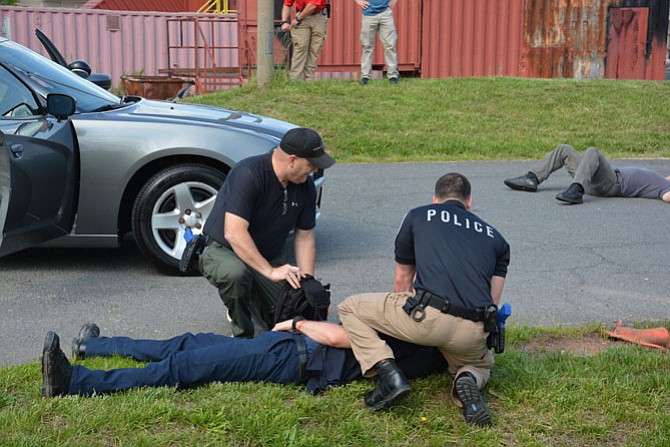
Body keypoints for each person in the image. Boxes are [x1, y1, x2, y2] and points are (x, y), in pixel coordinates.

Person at [338, 173, 510, 426]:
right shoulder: (497, 239)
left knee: (349, 307)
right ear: (469, 202)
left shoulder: (419, 216)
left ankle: (387, 373)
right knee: (481, 366)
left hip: (426, 318)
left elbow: (402, 279)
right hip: (473, 330)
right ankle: (467, 380)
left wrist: (397, 328)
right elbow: (493, 300)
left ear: (435, 200)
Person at [41, 321, 449, 398]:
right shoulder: (428, 345)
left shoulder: (416, 343)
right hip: (290, 351)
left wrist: (298, 321)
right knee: (190, 342)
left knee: (187, 366)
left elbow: (340, 336)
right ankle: (94, 346)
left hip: (291, 355)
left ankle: (75, 381)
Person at [199, 127, 335, 338]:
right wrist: (270, 272)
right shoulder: (248, 173)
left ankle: (247, 297)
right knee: (235, 275)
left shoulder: (305, 187)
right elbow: (234, 233)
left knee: (292, 314)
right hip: (224, 251)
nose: (315, 170)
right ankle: (242, 335)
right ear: (292, 159)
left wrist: (308, 287)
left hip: (269, 257)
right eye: (311, 164)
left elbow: (305, 237)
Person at [503, 144, 670, 204]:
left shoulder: (663, 189)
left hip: (612, 183)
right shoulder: (664, 180)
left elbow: (667, 197)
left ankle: (576, 190)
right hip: (593, 179)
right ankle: (532, 178)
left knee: (593, 152)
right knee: (564, 150)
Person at [280, 0, 330, 81]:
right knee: (300, 46)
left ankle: (309, 80)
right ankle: (295, 79)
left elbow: (312, 6)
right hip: (301, 15)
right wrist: (284, 21)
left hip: (318, 16)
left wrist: (297, 19)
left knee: (315, 48)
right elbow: (287, 4)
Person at [355, 0, 399, 85]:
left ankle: (393, 76)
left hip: (385, 13)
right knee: (367, 46)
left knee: (390, 45)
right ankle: (365, 76)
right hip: (368, 15)